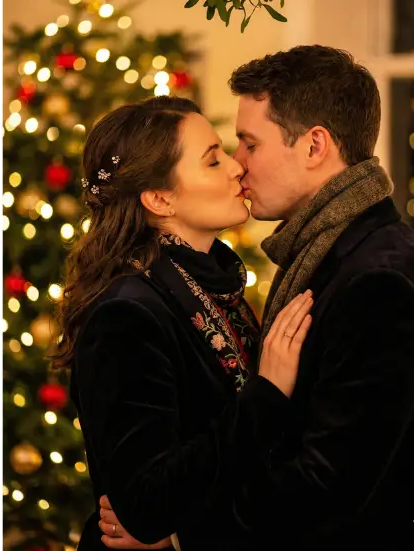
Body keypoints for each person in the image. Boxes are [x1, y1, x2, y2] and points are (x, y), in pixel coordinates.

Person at [100, 45, 414, 550]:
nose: (238, 166)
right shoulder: (333, 254)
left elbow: (326, 486)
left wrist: (181, 532)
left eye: (248, 144)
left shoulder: (378, 281)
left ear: (314, 147)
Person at [54, 95, 317, 551]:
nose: (237, 167)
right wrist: (267, 395)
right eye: (213, 161)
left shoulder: (212, 285)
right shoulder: (126, 314)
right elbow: (145, 503)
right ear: (159, 199)